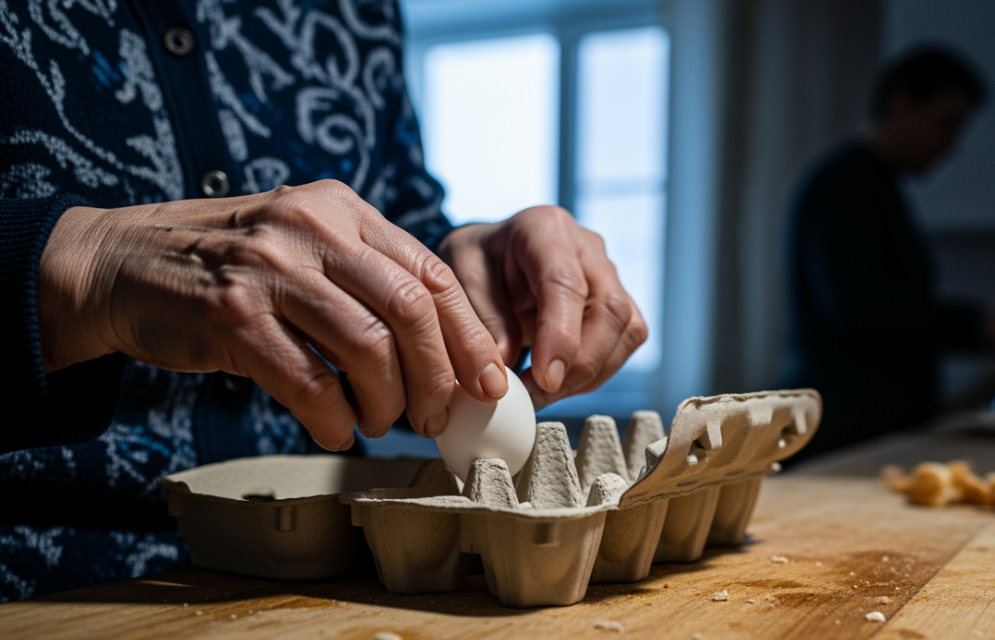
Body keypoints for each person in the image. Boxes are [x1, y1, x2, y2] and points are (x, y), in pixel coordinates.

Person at [0, 1, 645, 601]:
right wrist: (90, 272)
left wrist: (459, 270)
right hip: (54, 605)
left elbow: (390, 217)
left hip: (335, 584)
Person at [789, 46, 995, 458]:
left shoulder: (878, 186)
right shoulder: (845, 183)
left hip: (875, 427)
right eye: (947, 124)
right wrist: (976, 322)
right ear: (901, 104)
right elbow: (859, 306)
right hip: (847, 431)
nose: (953, 145)